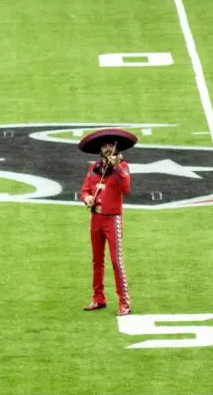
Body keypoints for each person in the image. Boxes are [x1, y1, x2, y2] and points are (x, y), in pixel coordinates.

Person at [78, 129, 135, 316]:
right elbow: (84, 191)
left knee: (116, 261)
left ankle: (124, 302)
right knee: (97, 260)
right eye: (104, 146)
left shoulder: (122, 166)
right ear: (100, 150)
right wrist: (87, 199)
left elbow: (126, 188)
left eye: (111, 145)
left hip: (112, 219)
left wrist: (117, 167)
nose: (108, 149)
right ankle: (98, 298)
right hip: (96, 218)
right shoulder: (94, 168)